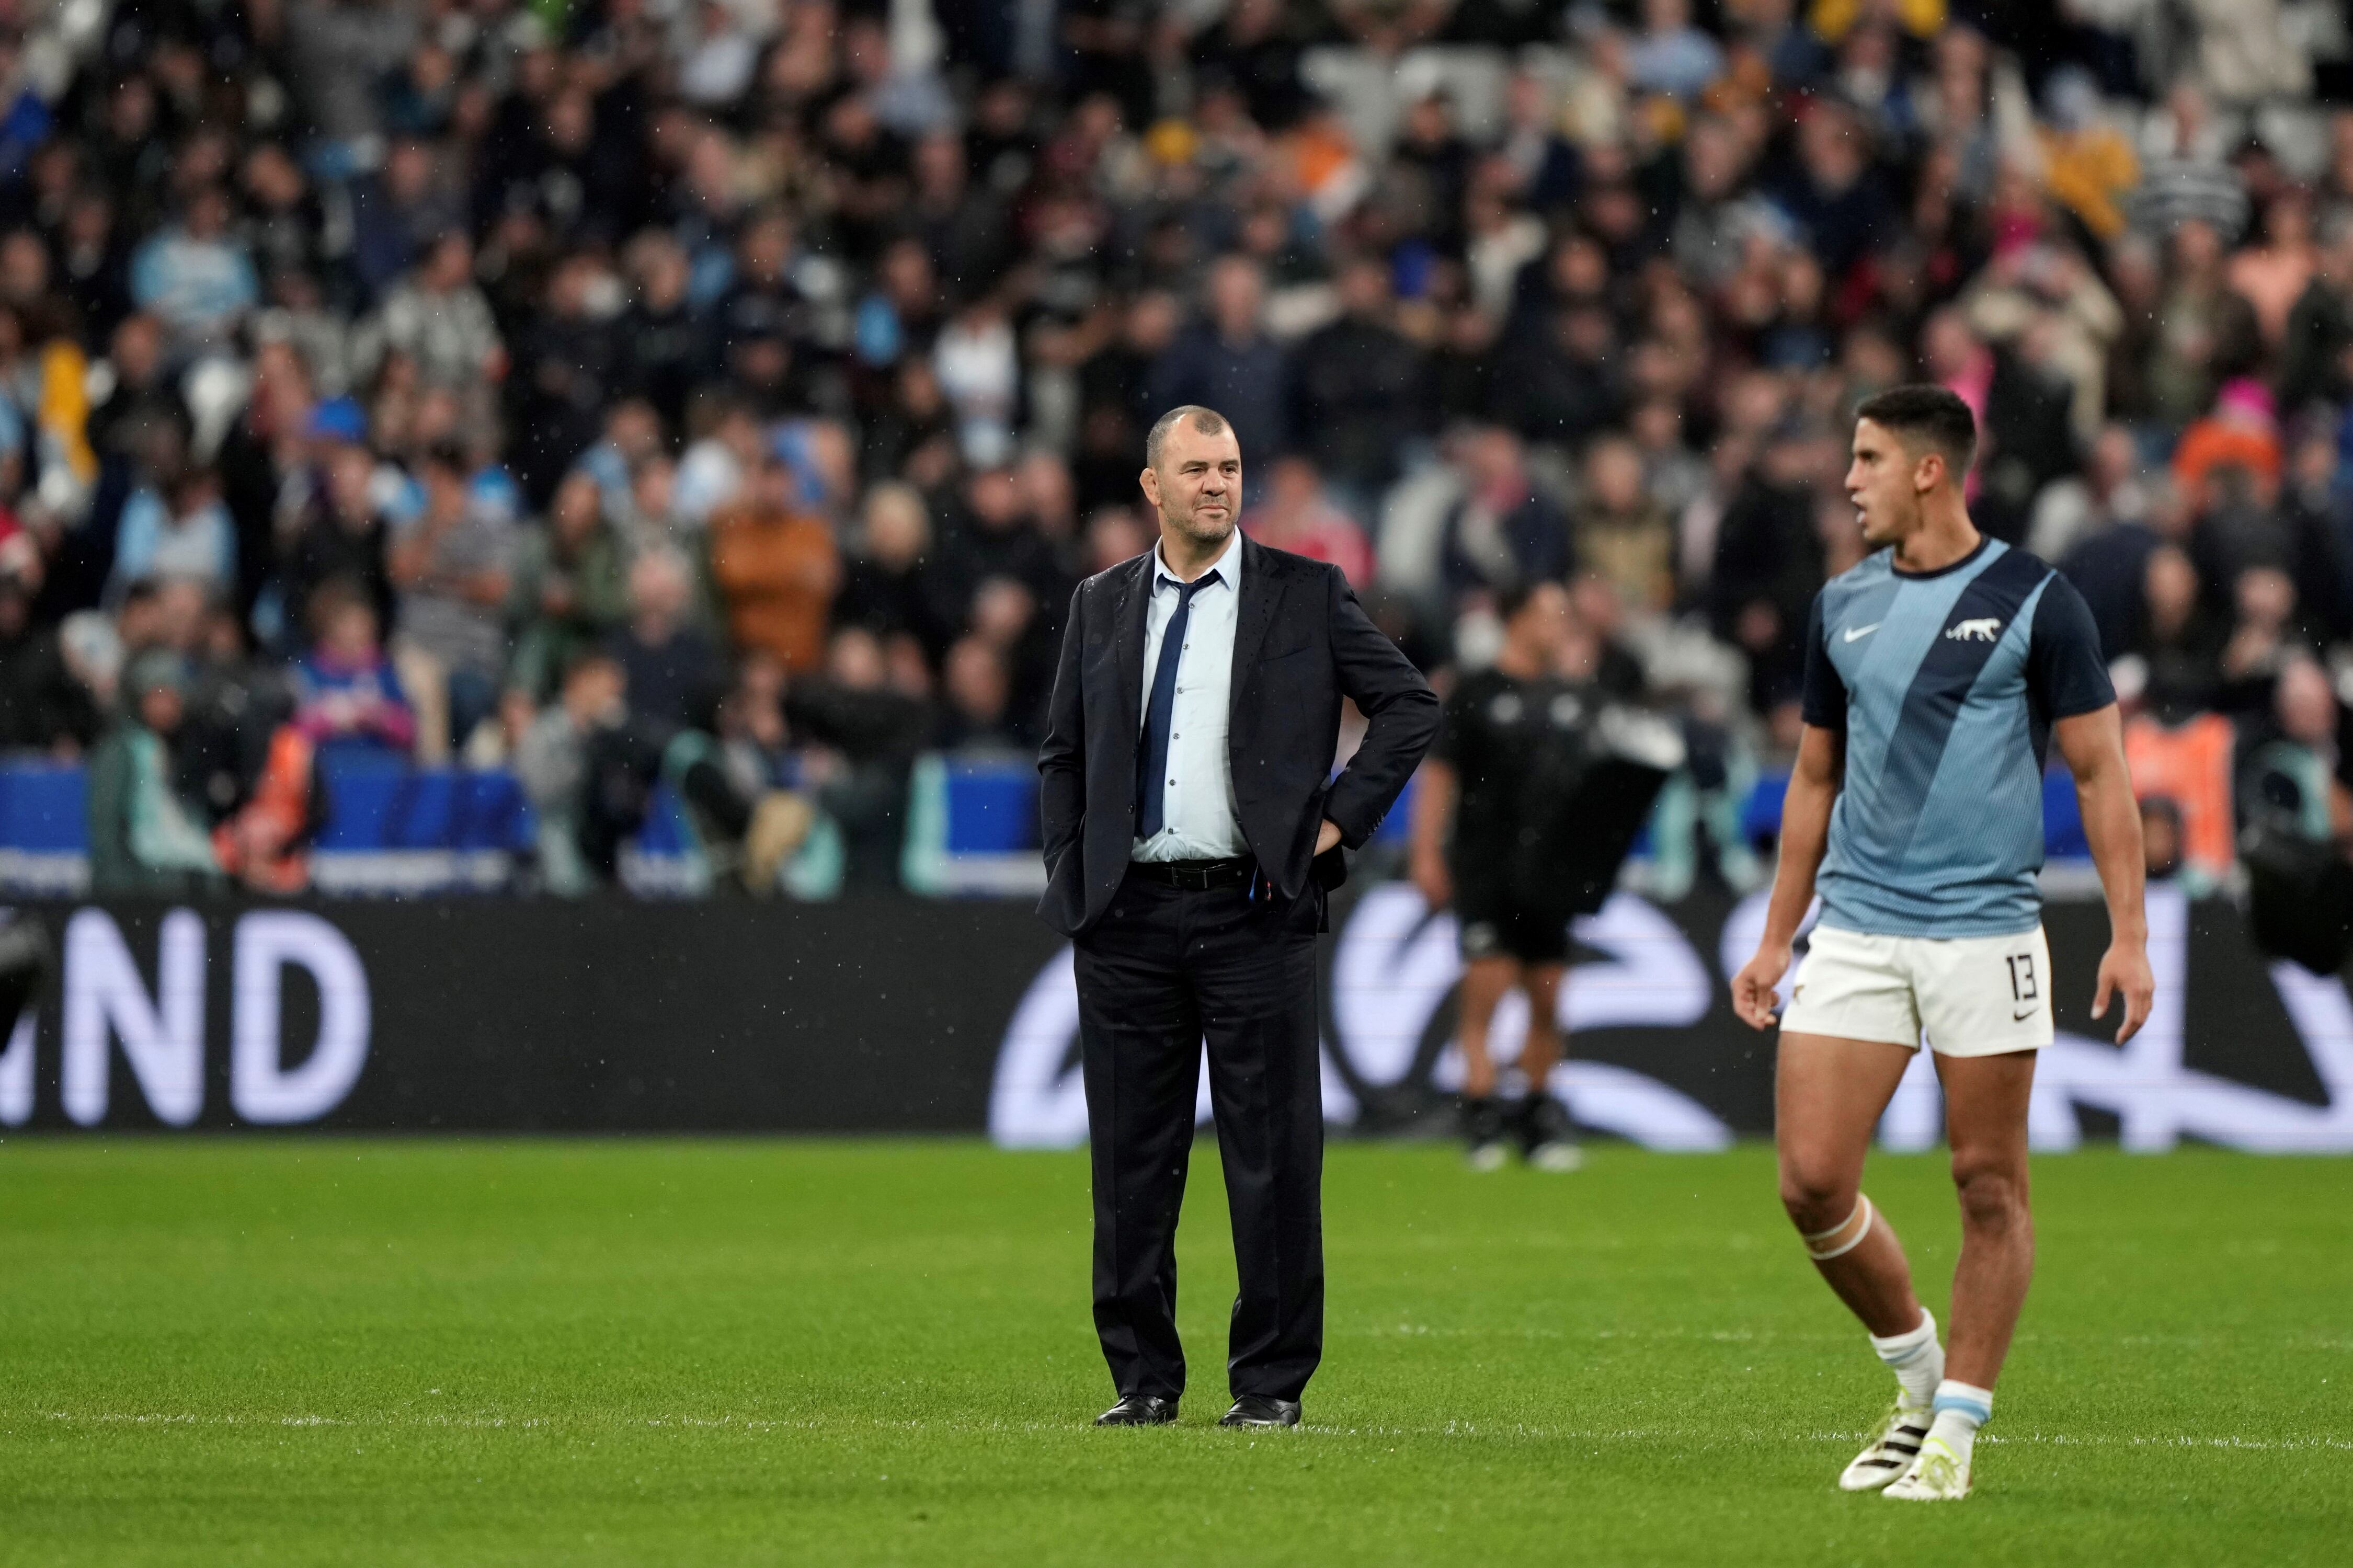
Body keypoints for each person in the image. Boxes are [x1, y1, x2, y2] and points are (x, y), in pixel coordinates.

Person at [1731, 386, 2154, 1502]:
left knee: (1986, 1185)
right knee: (1812, 1180)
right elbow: (1813, 777)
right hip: (1860, 929)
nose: (1849, 477)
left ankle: (1958, 1427)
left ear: (1930, 468)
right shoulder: (1841, 605)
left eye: (1867, 458)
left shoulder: (2038, 598)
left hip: (1985, 933)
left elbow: (2103, 770)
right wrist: (1779, 936)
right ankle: (1919, 1375)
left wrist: (2131, 935)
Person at [1036, 404, 1439, 1429]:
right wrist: (1074, 876)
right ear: (1153, 487)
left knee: (1273, 1157)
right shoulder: (1101, 601)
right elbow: (1063, 753)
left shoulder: (1304, 594)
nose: (1218, 483)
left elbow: (1409, 704)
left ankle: (1268, 1382)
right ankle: (1143, 1377)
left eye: (1229, 467)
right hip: (1128, 918)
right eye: (1197, 468)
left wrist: (1339, 822)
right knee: (1129, 1161)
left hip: (1255, 913)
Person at [1410, 579, 1586, 1171]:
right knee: (1485, 995)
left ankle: (1537, 1115)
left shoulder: (1570, 696)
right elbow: (1440, 776)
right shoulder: (1476, 691)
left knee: (1547, 999)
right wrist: (1426, 853)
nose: (1559, 624)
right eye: (1548, 613)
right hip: (1486, 868)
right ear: (1517, 620)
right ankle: (1482, 1115)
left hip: (1553, 873)